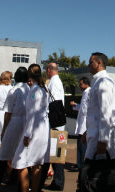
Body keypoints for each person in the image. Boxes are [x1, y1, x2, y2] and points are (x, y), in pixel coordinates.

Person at [80, 52, 115, 192]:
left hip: (102, 140)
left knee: (102, 177)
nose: (88, 65)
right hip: (96, 135)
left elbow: (107, 114)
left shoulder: (104, 82)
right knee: (104, 176)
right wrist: (87, 131)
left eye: (91, 62)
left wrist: (103, 141)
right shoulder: (97, 81)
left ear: (99, 63)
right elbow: (96, 113)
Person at [0, 67, 30, 192]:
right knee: (21, 155)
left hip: (14, 122)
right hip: (26, 123)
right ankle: (16, 182)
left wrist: (4, 129)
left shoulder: (14, 90)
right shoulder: (30, 89)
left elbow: (8, 112)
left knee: (4, 155)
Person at [11, 63, 51, 192]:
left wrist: (27, 134)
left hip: (33, 131)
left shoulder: (34, 90)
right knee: (36, 165)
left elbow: (33, 113)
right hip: (43, 130)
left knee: (19, 163)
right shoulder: (44, 88)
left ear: (29, 74)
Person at [41, 62, 65, 191]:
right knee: (56, 154)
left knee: (57, 155)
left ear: (50, 70)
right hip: (57, 123)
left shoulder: (54, 82)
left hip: (55, 123)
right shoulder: (55, 81)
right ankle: (57, 181)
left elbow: (54, 103)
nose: (46, 72)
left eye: (47, 70)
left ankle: (58, 182)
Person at [70, 77, 91, 182]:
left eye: (81, 84)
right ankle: (79, 164)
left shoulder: (89, 93)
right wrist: (75, 105)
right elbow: (82, 107)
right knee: (79, 145)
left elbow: (86, 109)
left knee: (83, 146)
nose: (80, 86)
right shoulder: (85, 93)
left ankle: (82, 165)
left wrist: (78, 106)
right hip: (82, 122)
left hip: (85, 123)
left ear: (86, 84)